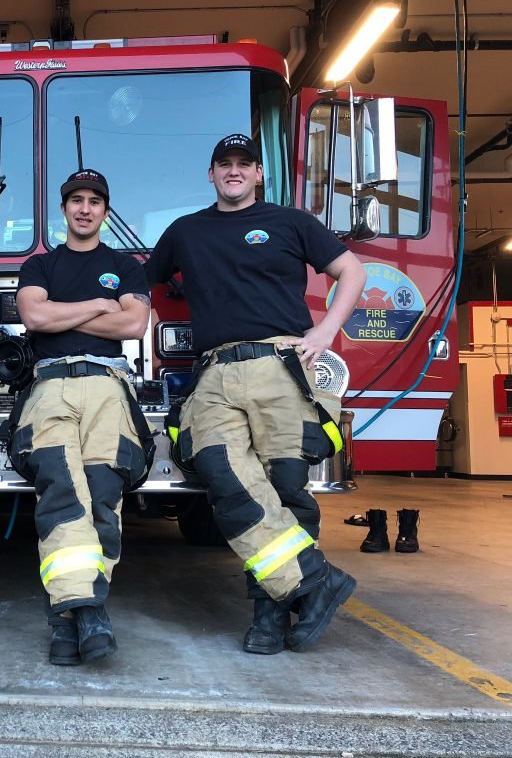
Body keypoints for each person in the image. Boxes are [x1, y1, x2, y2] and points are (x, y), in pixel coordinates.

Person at [145, 134, 367, 654]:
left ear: (259, 174)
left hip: (280, 366)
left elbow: (351, 271)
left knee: (286, 487)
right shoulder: (185, 232)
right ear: (211, 174)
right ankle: (312, 581)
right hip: (216, 372)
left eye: (244, 164)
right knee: (222, 477)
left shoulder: (290, 222)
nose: (234, 171)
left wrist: (325, 332)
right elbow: (136, 282)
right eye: (225, 164)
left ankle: (272, 615)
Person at [10, 169, 152, 666]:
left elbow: (134, 323)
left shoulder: (127, 265)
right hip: (49, 385)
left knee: (103, 494)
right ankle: (88, 612)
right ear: (64, 209)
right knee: (61, 489)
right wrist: (96, 304)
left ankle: (68, 621)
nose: (85, 208)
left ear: (105, 210)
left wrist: (62, 311)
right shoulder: (39, 265)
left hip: (108, 385)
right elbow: (35, 318)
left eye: (94, 201)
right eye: (76, 200)